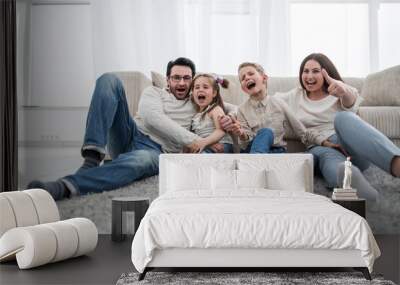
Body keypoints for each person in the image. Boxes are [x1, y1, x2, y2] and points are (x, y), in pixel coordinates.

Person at [28, 57, 206, 200]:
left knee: (139, 161)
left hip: (156, 151)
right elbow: (152, 118)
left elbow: (225, 108)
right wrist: (194, 140)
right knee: (109, 80)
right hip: (129, 134)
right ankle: (91, 159)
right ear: (168, 79)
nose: (181, 83)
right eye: (176, 77)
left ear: (193, 80)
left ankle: (65, 187)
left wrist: (229, 118)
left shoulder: (199, 102)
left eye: (186, 78)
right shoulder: (154, 92)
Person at [276, 53, 400, 201]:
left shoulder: (338, 89)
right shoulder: (295, 95)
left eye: (315, 71)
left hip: (351, 146)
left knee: (344, 118)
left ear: (326, 72)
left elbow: (351, 101)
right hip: (321, 147)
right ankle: (352, 185)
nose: (309, 75)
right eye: (305, 71)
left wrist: (343, 92)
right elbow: (270, 101)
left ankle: (396, 163)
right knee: (333, 162)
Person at [221, 62, 319, 153]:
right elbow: (244, 144)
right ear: (243, 88)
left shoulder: (279, 103)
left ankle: (255, 165)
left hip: (276, 151)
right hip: (251, 149)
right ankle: (256, 162)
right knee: (265, 132)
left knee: (267, 132)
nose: (246, 78)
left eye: (250, 74)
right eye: (243, 78)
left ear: (264, 78)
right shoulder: (242, 109)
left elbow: (301, 131)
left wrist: (323, 142)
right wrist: (242, 134)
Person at [188, 73, 234, 153]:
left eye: (205, 87)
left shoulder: (215, 109)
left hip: (222, 144)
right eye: (197, 87)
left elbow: (221, 131)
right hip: (207, 145)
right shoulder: (196, 115)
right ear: (192, 93)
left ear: (214, 93)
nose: (200, 90)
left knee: (200, 157)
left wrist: (204, 143)